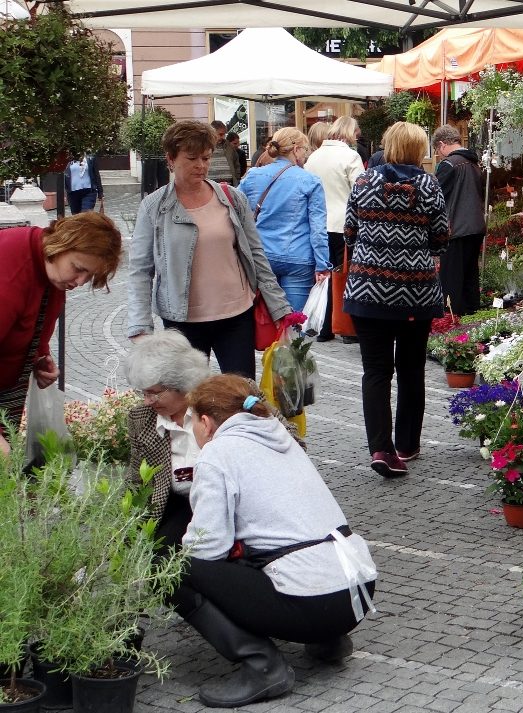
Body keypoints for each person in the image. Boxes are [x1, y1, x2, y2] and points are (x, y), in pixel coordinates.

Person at [172, 374, 375, 708]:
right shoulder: (281, 437)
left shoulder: (217, 453)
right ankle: (328, 641)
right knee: (277, 546)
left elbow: (206, 548)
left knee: (174, 569)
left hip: (313, 604)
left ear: (206, 422)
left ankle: (263, 666)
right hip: (357, 593)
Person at [126, 121, 291, 380]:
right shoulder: (154, 207)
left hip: (236, 316)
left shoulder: (232, 198)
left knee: (240, 396)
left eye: (206, 157)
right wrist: (139, 324)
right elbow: (140, 270)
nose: (201, 165)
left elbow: (256, 255)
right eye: (191, 158)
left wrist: (279, 307)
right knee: (188, 399)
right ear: (170, 159)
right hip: (182, 321)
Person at [125, 330, 304, 550]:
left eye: (154, 393)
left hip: (242, 500)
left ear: (180, 382)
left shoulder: (230, 394)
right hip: (183, 503)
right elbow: (135, 481)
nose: (147, 401)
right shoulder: (141, 418)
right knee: (164, 557)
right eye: (142, 392)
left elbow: (293, 440)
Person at [343, 122, 448, 477]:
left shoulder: (363, 182)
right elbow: (441, 236)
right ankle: (407, 443)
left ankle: (380, 448)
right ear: (419, 151)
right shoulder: (428, 185)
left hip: (366, 292)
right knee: (410, 368)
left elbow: (349, 233)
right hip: (415, 294)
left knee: (375, 371)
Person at [0, 213, 121, 455]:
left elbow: (34, 321)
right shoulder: (9, 273)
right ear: (61, 244)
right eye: (78, 269)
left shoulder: (51, 273)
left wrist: (39, 358)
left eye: (89, 276)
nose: (79, 281)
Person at [239, 127, 330, 311]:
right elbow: (317, 228)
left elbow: (238, 216)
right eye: (305, 150)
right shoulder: (310, 180)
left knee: (262, 321)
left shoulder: (252, 176)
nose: (305, 156)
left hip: (261, 255)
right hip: (298, 256)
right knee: (293, 324)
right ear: (296, 149)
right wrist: (322, 264)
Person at [303, 117, 364, 343]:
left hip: (318, 224)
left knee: (324, 276)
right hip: (343, 224)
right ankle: (346, 328)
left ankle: (325, 327)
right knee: (344, 276)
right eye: (356, 133)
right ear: (350, 132)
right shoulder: (350, 156)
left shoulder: (314, 157)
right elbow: (360, 193)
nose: (357, 137)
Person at [432, 125, 486, 316]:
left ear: (442, 144)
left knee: (451, 277)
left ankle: (452, 317)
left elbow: (436, 197)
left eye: (437, 151)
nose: (438, 155)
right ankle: (472, 312)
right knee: (470, 273)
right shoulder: (473, 162)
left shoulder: (448, 165)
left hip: (456, 228)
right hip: (476, 225)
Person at [208, 120, 240, 186]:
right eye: (220, 134)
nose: (223, 137)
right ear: (212, 133)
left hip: (229, 186)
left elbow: (236, 165)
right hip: (210, 186)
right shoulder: (204, 146)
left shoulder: (229, 147)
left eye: (224, 134)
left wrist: (237, 179)